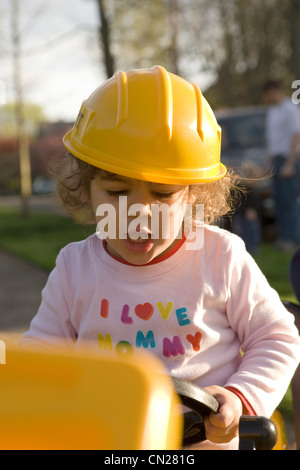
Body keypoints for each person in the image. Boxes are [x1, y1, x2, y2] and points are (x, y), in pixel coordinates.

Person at [21, 66, 300, 450]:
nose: (140, 214)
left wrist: (241, 397)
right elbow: (40, 361)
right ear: (85, 189)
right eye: (117, 192)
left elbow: (278, 336)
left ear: (196, 194)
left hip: (203, 439)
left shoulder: (220, 257)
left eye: (163, 194)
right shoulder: (74, 269)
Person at [263, 79, 300, 252]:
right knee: (278, 200)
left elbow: (296, 136)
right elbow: (272, 140)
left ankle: (293, 239)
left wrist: (290, 163)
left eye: (270, 93)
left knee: (289, 200)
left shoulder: (290, 109)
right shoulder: (271, 111)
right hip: (276, 160)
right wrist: (268, 164)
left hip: (288, 160)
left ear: (277, 90)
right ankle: (285, 237)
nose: (268, 97)